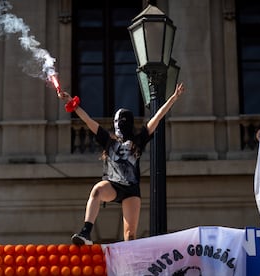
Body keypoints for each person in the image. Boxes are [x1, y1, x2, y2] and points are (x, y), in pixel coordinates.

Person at [57, 83, 185, 245]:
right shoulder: (108, 141)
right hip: (113, 185)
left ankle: (129, 266)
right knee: (97, 191)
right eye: (117, 121)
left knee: (130, 235)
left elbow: (157, 118)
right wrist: (72, 104)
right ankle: (86, 231)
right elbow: (88, 121)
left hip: (131, 189)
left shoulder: (138, 140)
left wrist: (173, 99)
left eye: (122, 121)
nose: (119, 124)